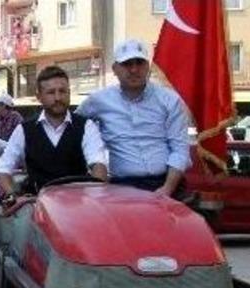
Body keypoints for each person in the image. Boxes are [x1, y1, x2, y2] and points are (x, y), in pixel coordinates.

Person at [74, 39, 191, 196]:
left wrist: (167, 189)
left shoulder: (169, 100)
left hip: (167, 184)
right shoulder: (98, 101)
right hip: (122, 187)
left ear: (148, 66)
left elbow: (180, 149)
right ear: (115, 69)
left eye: (139, 63)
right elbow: (73, 127)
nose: (134, 69)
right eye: (127, 64)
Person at [0, 66, 108, 196]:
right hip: (37, 207)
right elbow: (3, 170)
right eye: (51, 92)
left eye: (62, 91)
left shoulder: (86, 126)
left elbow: (98, 164)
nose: (58, 97)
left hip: (78, 205)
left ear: (69, 93)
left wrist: (94, 197)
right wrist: (14, 196)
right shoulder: (24, 130)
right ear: (39, 96)